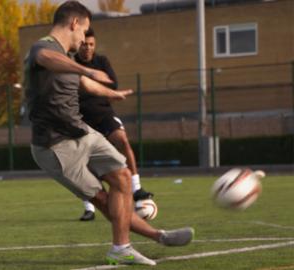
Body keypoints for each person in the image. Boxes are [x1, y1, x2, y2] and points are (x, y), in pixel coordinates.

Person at [24, 1, 194, 266]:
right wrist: (86, 68)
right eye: (84, 31)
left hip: (81, 132)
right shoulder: (43, 47)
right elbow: (45, 59)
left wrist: (112, 93)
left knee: (123, 177)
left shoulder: (67, 60)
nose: (83, 40)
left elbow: (84, 83)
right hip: (55, 146)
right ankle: (150, 239)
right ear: (74, 24)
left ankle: (130, 245)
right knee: (103, 200)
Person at [76, 27, 153, 222]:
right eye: (84, 44)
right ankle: (89, 207)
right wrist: (95, 86)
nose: (87, 48)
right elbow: (75, 90)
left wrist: (93, 88)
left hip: (104, 114)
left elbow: (112, 85)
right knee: (85, 163)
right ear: (78, 44)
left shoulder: (102, 62)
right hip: (81, 119)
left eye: (91, 44)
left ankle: (137, 189)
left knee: (122, 140)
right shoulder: (72, 64)